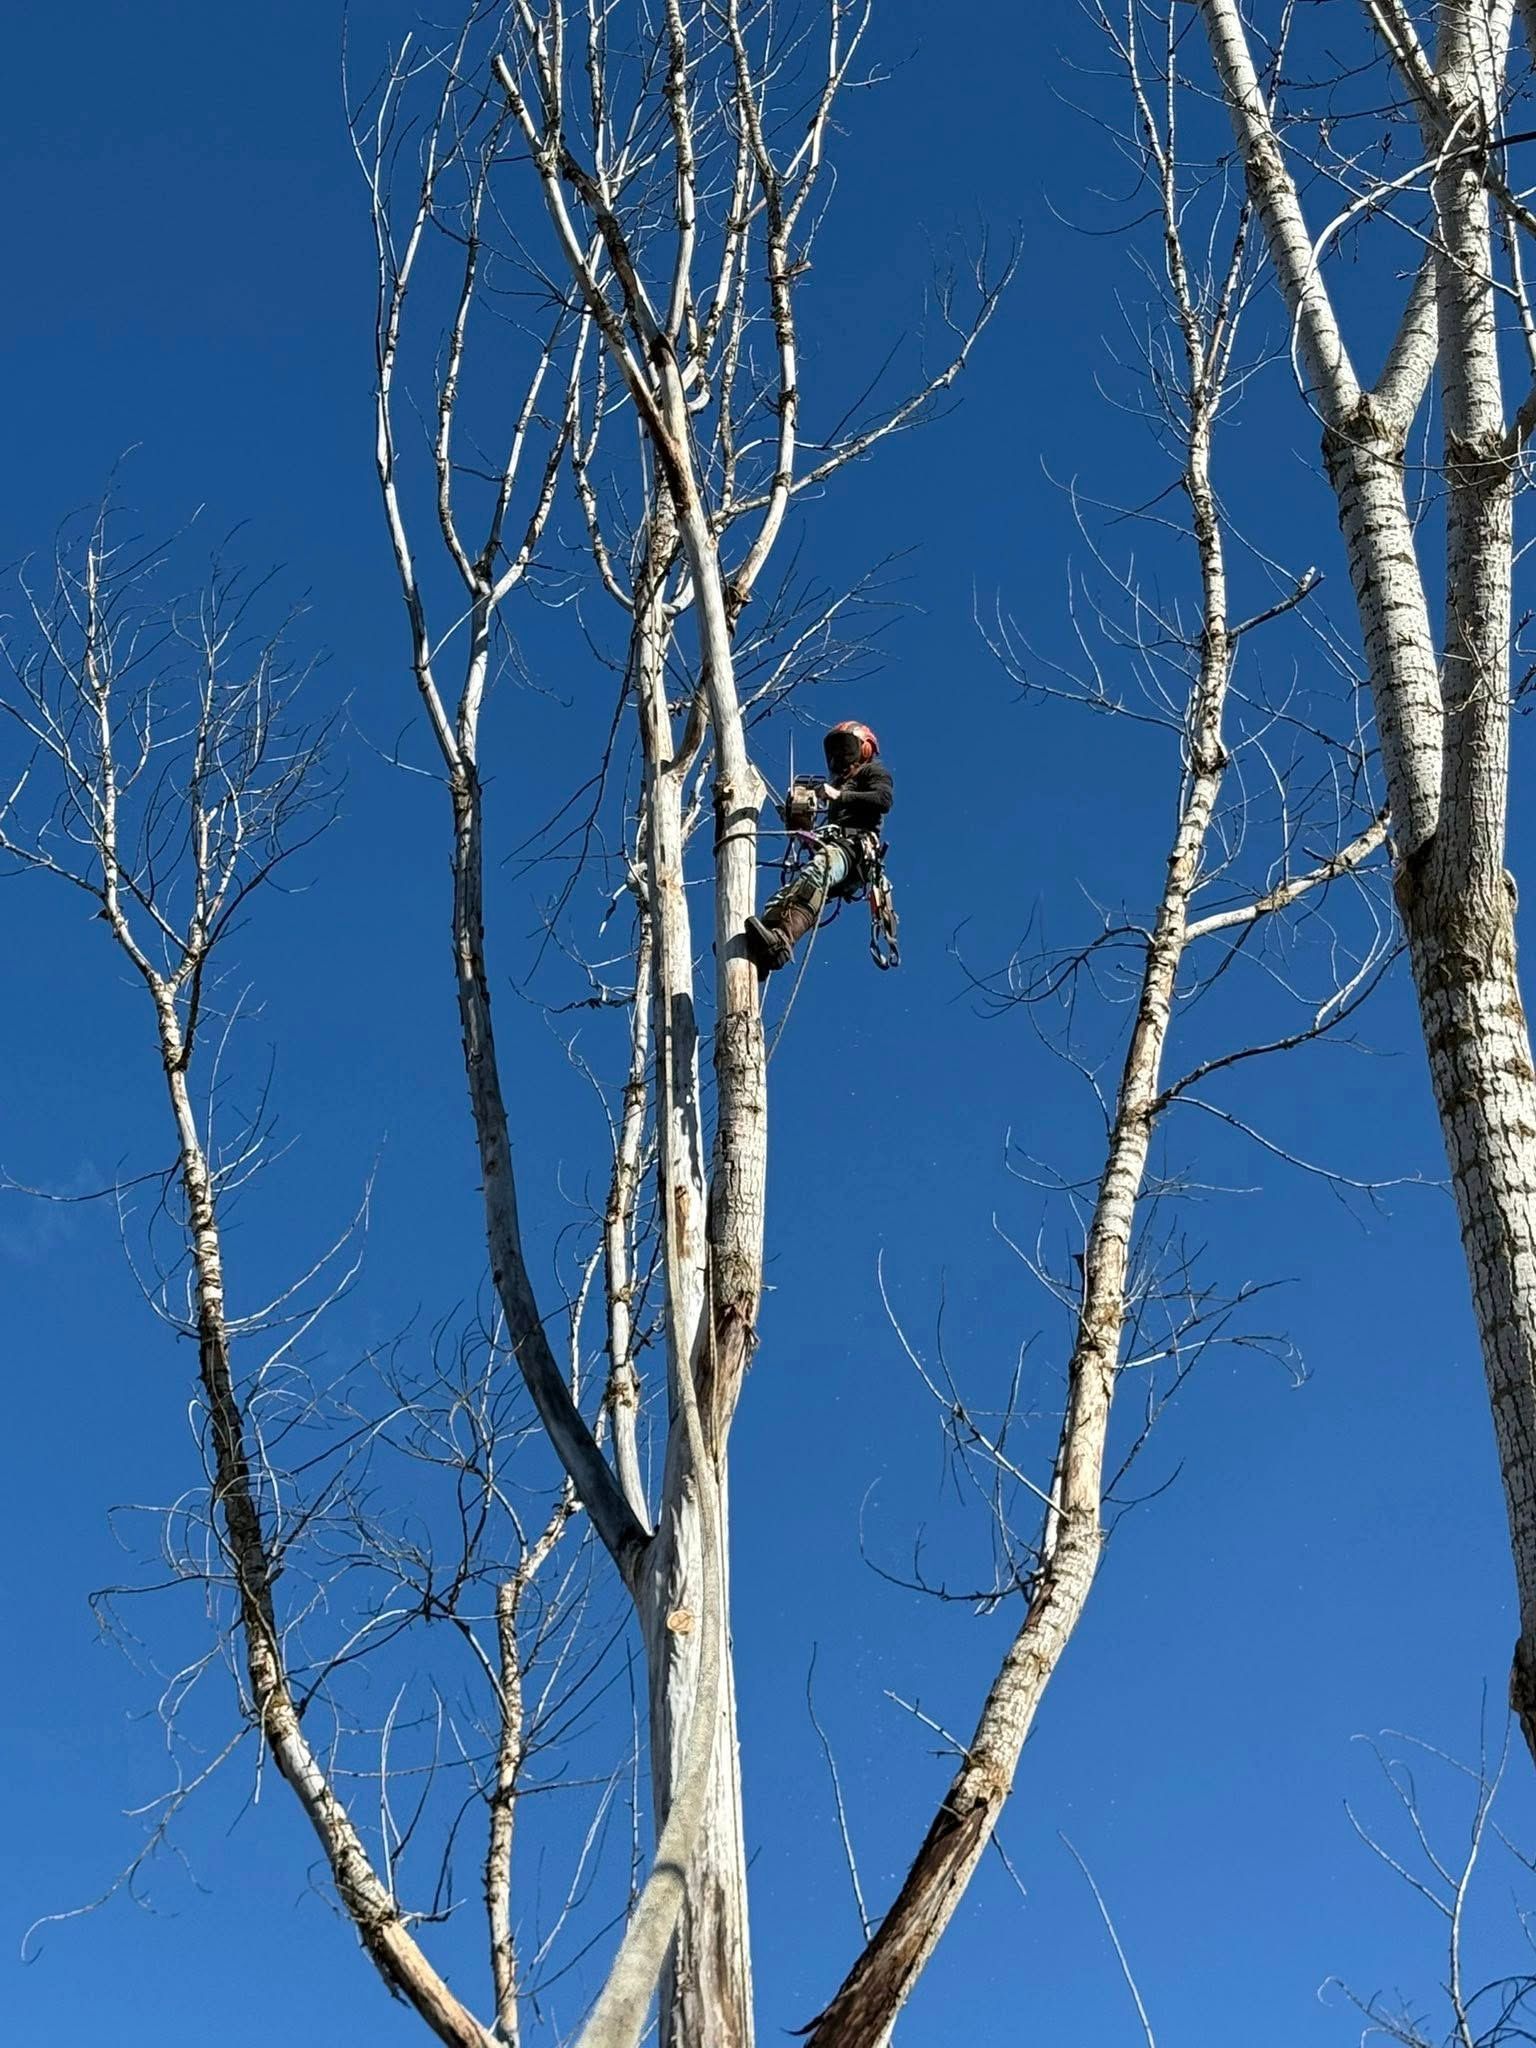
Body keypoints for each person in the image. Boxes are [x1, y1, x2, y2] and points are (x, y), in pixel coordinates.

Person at [745, 720, 894, 973]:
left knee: (819, 871)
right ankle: (761, 944)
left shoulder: (872, 772)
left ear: (864, 749)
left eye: (844, 749)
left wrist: (839, 796)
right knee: (789, 892)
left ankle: (782, 941)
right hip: (837, 846)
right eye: (834, 751)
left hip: (855, 848)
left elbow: (883, 799)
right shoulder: (838, 784)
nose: (838, 757)